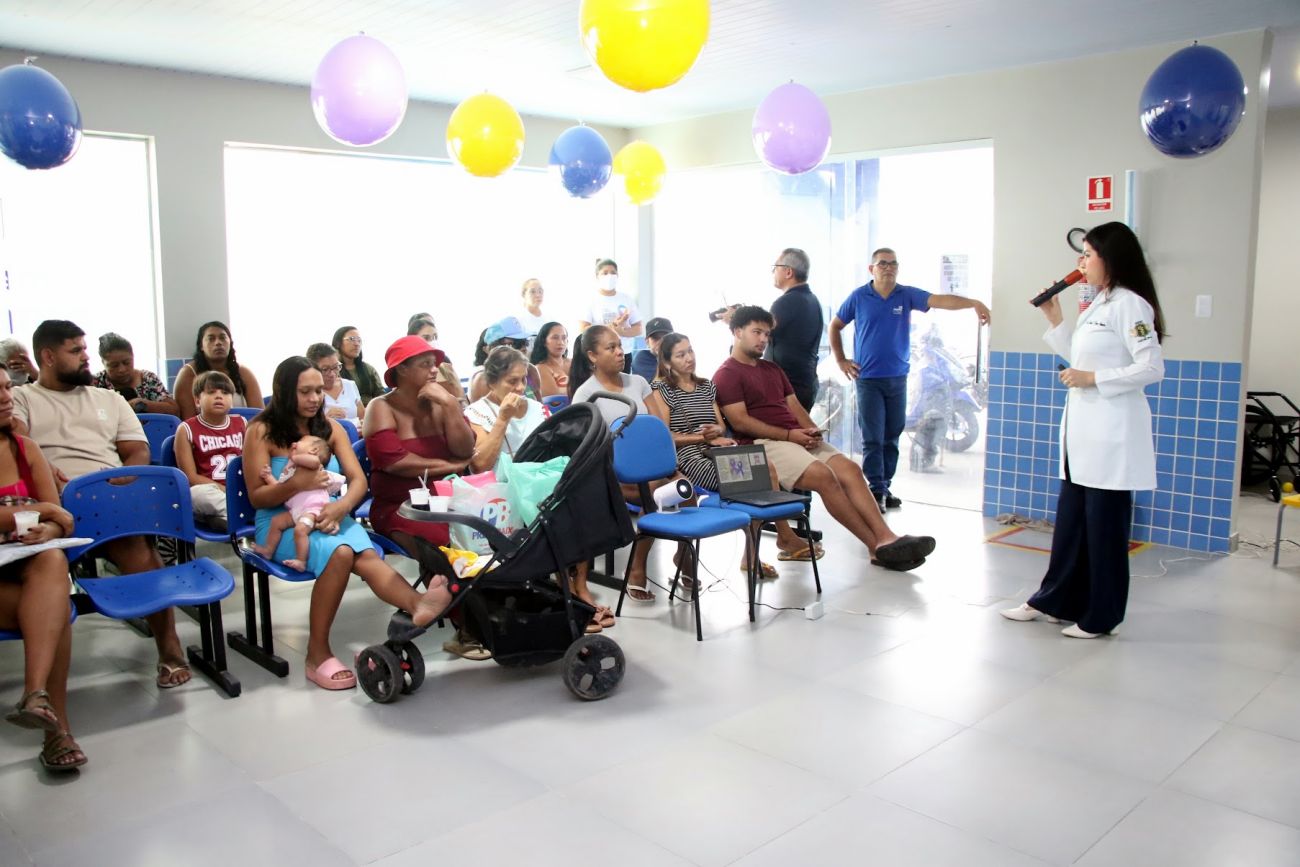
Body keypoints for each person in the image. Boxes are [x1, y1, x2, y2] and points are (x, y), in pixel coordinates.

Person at [243, 356, 452, 689]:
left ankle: (418, 604)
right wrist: (296, 484)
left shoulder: (331, 428)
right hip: (282, 524)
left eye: (318, 391)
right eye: (305, 392)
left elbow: (358, 481)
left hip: (328, 514)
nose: (315, 398)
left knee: (365, 554)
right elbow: (257, 497)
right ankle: (316, 654)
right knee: (341, 552)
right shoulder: (261, 431)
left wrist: (341, 508)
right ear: (283, 392)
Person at [1000, 222, 1165, 638]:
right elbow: (1079, 357)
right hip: (1082, 438)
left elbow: (1151, 367)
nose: (1082, 262)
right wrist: (1054, 318)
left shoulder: (1131, 304)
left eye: (1088, 254)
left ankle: (1101, 616)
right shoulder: (1099, 303)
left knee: (1104, 532)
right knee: (1071, 527)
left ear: (1111, 258)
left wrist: (1094, 379)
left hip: (1111, 437)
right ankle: (1054, 600)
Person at [13, 320, 193, 688]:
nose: (86, 357)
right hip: (52, 499)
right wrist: (47, 473)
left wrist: (123, 478)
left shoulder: (108, 399)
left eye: (84, 349)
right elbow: (18, 445)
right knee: (42, 561)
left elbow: (136, 450)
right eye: (75, 350)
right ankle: (42, 680)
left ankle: (169, 648)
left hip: (108, 498)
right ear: (48, 356)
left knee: (139, 549)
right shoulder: (22, 398)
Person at [714, 307, 936, 572]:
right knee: (824, 477)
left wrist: (811, 431)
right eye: (757, 332)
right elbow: (740, 422)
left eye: (767, 334)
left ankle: (886, 537)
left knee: (851, 470)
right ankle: (875, 546)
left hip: (795, 437)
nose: (763, 339)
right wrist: (790, 435)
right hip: (763, 444)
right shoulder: (727, 374)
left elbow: (794, 406)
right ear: (737, 332)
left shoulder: (772, 369)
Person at [462, 347, 614, 631]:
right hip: (504, 494)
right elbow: (480, 464)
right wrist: (503, 418)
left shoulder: (536, 408)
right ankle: (567, 592)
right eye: (512, 381)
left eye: (523, 380)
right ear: (491, 381)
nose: (520, 388)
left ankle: (579, 586)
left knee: (580, 498)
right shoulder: (476, 413)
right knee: (555, 513)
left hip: (540, 485)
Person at [829, 247, 991, 511]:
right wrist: (841, 360)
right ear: (872, 269)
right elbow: (835, 326)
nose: (888, 268)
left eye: (893, 264)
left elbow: (940, 300)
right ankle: (875, 489)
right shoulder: (859, 297)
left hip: (897, 379)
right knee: (872, 437)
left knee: (892, 435)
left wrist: (973, 303)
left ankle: (884, 486)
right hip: (868, 380)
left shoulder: (905, 295)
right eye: (883, 263)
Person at [647, 332, 815, 578]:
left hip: (717, 448)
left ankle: (761, 549)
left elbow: (720, 425)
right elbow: (665, 436)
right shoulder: (661, 390)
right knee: (752, 480)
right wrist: (702, 438)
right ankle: (779, 539)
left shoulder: (706, 386)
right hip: (688, 454)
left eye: (690, 351)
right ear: (667, 362)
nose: (689, 358)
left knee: (766, 467)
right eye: (680, 355)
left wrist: (716, 433)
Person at [362, 337, 482, 658]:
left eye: (435, 364)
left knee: (489, 531)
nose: (433, 371)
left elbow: (465, 449)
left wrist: (451, 406)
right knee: (446, 544)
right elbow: (395, 462)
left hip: (449, 500)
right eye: (425, 364)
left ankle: (493, 614)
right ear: (401, 370)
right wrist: (451, 466)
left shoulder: (440, 401)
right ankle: (467, 626)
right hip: (401, 507)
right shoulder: (381, 407)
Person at [0, 366, 85, 773]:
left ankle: (36, 696)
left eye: (6, 388)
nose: (6, 397)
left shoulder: (24, 448)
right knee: (54, 610)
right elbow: (51, 509)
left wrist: (47, 526)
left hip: (24, 570)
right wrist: (46, 509)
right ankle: (57, 729)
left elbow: (59, 523)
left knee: (52, 561)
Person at [569, 325, 694, 601]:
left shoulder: (638, 382)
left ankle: (682, 556)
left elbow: (660, 428)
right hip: (612, 475)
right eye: (610, 348)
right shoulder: (586, 394)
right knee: (660, 493)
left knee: (685, 491)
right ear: (592, 355)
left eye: (619, 346)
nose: (619, 352)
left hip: (651, 468)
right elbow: (583, 448)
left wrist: (666, 462)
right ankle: (637, 567)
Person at [253, 435, 345, 571]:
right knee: (276, 522)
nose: (294, 443)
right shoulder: (292, 470)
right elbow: (280, 488)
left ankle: (301, 561)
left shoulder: (314, 466)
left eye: (300, 442)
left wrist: (294, 458)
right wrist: (268, 477)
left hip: (313, 510)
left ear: (313, 450)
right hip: (296, 511)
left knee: (300, 530)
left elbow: (314, 461)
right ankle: (268, 550)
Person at [175, 370, 246, 530]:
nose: (219, 396)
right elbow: (190, 477)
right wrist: (224, 490)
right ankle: (242, 515)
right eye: (211, 392)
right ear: (197, 400)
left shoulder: (242, 423)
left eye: (225, 393)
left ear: (232, 401)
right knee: (195, 495)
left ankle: (226, 518)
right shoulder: (186, 429)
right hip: (210, 490)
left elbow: (252, 462)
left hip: (241, 488)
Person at [768, 248, 825, 413]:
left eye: (776, 267)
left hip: (788, 388)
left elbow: (761, 334)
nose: (773, 272)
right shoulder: (812, 300)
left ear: (788, 272)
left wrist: (738, 322)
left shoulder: (786, 302)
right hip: (806, 383)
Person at [173, 321, 264, 420]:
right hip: (202, 429)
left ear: (230, 343)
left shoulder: (243, 372)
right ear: (201, 346)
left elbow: (259, 416)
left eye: (222, 338)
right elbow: (188, 420)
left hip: (244, 428)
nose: (218, 343)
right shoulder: (188, 374)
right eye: (211, 339)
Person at [577, 258, 643, 371]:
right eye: (605, 273)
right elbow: (583, 329)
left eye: (613, 273)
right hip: (600, 354)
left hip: (624, 353)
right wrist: (610, 328)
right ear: (597, 276)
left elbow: (639, 328)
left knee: (623, 381)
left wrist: (622, 331)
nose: (609, 276)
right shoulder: (590, 300)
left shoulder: (626, 299)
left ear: (617, 275)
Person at [93, 332, 179, 416]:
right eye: (114, 365)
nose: (122, 370)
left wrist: (142, 404)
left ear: (133, 357)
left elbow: (174, 410)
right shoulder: (95, 383)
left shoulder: (148, 379)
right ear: (103, 363)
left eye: (126, 362)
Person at [468, 317, 541, 402]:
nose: (523, 348)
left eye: (524, 342)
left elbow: (542, 407)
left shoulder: (531, 371)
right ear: (492, 348)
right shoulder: (483, 379)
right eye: (514, 344)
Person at [407, 315, 468, 406]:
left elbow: (463, 399)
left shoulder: (445, 365)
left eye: (435, 337)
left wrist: (456, 385)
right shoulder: (409, 372)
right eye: (426, 338)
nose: (432, 341)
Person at [306, 343, 363, 422]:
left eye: (336, 367)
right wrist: (325, 420)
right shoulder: (309, 393)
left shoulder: (349, 385)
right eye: (325, 369)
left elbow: (363, 419)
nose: (332, 374)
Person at [332, 326, 385, 406]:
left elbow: (381, 395)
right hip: (344, 411)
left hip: (371, 410)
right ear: (338, 343)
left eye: (359, 340)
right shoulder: (332, 371)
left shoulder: (369, 369)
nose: (357, 344)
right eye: (352, 339)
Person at [530, 322, 570, 398]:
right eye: (555, 338)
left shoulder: (573, 362)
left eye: (564, 338)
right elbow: (555, 401)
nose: (560, 342)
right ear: (544, 342)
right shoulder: (540, 368)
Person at [630, 316, 673, 382]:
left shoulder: (679, 355)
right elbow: (655, 385)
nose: (660, 342)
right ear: (647, 342)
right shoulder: (642, 358)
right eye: (655, 338)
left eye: (665, 338)